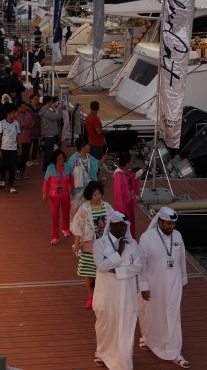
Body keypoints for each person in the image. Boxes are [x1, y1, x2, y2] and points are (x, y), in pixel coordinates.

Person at [138, 207, 191, 368]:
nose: (171, 226)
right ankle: (149, 338)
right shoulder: (147, 238)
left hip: (174, 283)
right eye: (168, 223)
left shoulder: (178, 236)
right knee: (151, 313)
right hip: (154, 284)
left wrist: (183, 280)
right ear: (159, 221)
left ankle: (174, 351)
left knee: (172, 315)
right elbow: (142, 265)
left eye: (173, 223)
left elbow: (182, 259)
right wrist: (144, 287)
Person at [93, 210, 142, 370]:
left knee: (126, 326)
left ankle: (123, 360)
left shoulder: (132, 244)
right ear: (112, 225)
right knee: (105, 324)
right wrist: (119, 252)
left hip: (126, 295)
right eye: (121, 225)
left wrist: (119, 271)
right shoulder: (99, 244)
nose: (123, 229)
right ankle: (102, 353)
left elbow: (138, 266)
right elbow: (102, 266)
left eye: (125, 226)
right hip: (107, 294)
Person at [71, 181, 113, 309]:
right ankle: (91, 296)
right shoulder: (84, 209)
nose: (98, 197)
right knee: (89, 272)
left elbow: (115, 222)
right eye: (94, 195)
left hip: (104, 247)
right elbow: (77, 226)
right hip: (89, 247)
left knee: (104, 271)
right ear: (89, 196)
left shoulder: (107, 207)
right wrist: (77, 243)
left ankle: (103, 296)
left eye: (99, 194)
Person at [42, 150, 73, 245]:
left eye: (63, 158)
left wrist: (73, 189)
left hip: (66, 195)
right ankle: (55, 236)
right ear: (55, 159)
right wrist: (44, 194)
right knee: (55, 215)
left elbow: (71, 179)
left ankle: (65, 228)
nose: (61, 160)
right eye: (59, 159)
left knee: (66, 212)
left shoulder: (68, 166)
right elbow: (46, 182)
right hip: (54, 196)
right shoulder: (50, 168)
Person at [112, 151, 139, 239]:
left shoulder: (124, 173)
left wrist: (141, 170)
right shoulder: (119, 176)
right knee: (125, 228)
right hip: (123, 207)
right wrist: (122, 211)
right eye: (131, 161)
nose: (132, 163)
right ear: (127, 164)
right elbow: (119, 196)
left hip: (127, 204)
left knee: (129, 226)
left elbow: (132, 177)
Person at [68, 140, 100, 213]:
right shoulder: (74, 158)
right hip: (77, 189)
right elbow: (67, 170)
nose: (89, 147)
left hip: (88, 187)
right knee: (76, 208)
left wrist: (103, 159)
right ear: (82, 147)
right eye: (87, 145)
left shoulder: (89, 157)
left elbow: (98, 163)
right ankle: (74, 223)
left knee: (88, 207)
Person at [0, 106, 21, 193]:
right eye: (13, 113)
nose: (15, 114)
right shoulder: (1, 124)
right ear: (8, 114)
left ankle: (12, 185)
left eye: (15, 112)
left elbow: (18, 136)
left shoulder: (16, 123)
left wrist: (19, 147)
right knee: (3, 165)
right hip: (4, 148)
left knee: (12, 167)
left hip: (13, 149)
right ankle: (2, 179)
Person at [38, 96, 62, 169]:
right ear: (48, 102)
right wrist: (59, 109)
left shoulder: (43, 110)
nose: (52, 103)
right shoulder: (46, 112)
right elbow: (57, 117)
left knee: (48, 152)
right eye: (51, 101)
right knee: (49, 152)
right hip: (49, 134)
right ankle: (47, 167)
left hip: (47, 133)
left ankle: (46, 166)